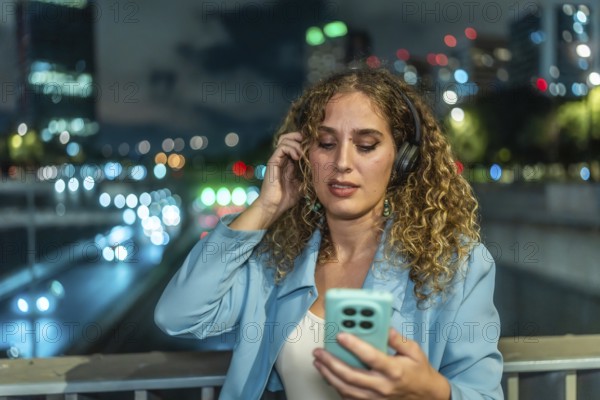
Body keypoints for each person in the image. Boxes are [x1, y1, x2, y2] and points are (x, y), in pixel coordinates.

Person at [154, 67, 503, 400]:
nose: (342, 163)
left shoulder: (456, 265)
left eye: (366, 145)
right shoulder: (275, 261)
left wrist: (431, 392)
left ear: (402, 160)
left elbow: (483, 394)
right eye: (325, 143)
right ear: (305, 155)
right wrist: (265, 207)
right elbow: (178, 316)